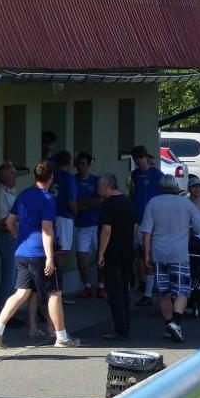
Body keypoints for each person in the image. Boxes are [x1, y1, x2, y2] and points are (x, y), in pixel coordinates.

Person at [0, 161, 80, 349]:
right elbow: (47, 229)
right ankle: (62, 337)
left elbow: (10, 221)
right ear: (51, 178)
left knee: (21, 292)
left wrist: (17, 236)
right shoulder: (47, 199)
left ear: (35, 176)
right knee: (54, 293)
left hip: (22, 252)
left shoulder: (23, 195)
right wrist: (50, 257)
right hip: (40, 253)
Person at [141, 176, 200, 342]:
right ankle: (175, 322)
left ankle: (169, 325)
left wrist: (146, 254)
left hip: (159, 253)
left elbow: (146, 232)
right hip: (179, 254)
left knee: (164, 291)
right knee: (183, 290)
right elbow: (199, 228)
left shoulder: (152, 203)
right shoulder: (186, 203)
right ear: (176, 187)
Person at [95, 173, 135, 340]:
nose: (98, 190)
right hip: (128, 251)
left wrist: (100, 253)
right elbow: (134, 227)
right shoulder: (128, 202)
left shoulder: (108, 204)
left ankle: (120, 328)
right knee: (124, 290)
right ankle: (125, 324)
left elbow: (106, 230)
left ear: (106, 186)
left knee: (114, 292)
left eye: (99, 187)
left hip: (113, 253)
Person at [129, 145, 165, 304]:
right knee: (138, 253)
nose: (139, 161)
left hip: (152, 222)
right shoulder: (134, 174)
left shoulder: (157, 175)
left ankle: (149, 292)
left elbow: (163, 196)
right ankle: (143, 284)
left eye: (141, 158)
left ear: (146, 157)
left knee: (148, 254)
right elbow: (132, 194)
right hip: (137, 220)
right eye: (136, 159)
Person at [73, 153, 103, 298]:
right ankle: (87, 286)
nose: (80, 167)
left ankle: (102, 286)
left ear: (89, 165)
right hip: (82, 224)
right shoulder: (73, 180)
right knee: (81, 255)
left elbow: (101, 199)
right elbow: (73, 201)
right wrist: (90, 203)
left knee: (100, 255)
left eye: (83, 164)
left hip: (97, 224)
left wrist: (82, 203)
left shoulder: (96, 181)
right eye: (78, 164)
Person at [0, 162, 18, 319]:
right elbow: (1, 221)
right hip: (6, 238)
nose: (15, 176)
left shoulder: (10, 192)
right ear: (4, 177)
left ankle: (10, 314)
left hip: (13, 237)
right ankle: (2, 316)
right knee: (8, 280)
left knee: (14, 280)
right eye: (12, 173)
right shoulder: (0, 194)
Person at [51, 150, 77, 290]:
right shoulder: (68, 178)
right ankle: (57, 290)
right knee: (60, 254)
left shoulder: (51, 176)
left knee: (52, 252)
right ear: (69, 162)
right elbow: (71, 202)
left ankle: (54, 288)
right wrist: (75, 213)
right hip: (64, 216)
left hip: (50, 216)